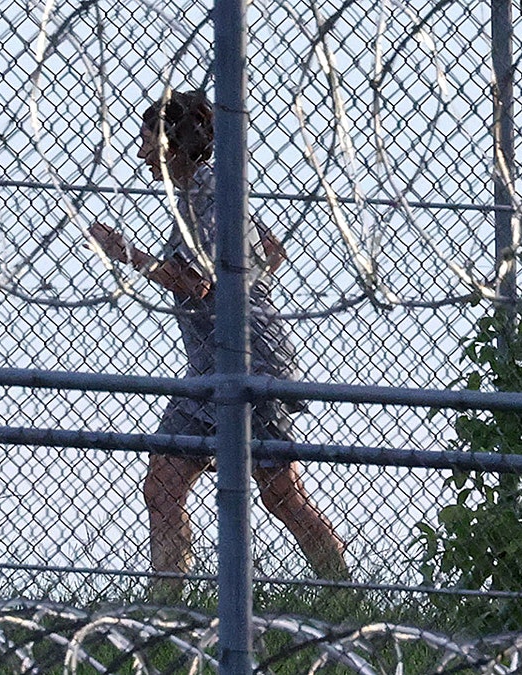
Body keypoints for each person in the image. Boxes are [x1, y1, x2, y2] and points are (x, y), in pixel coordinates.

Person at [88, 90, 349, 599]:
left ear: (172, 145)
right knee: (162, 484)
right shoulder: (204, 195)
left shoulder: (206, 197)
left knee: (281, 495)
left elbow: (196, 284)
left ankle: (343, 592)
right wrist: (248, 283)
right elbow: (271, 250)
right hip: (211, 367)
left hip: (248, 363)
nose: (139, 150)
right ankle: (167, 605)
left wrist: (126, 255)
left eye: (147, 138)